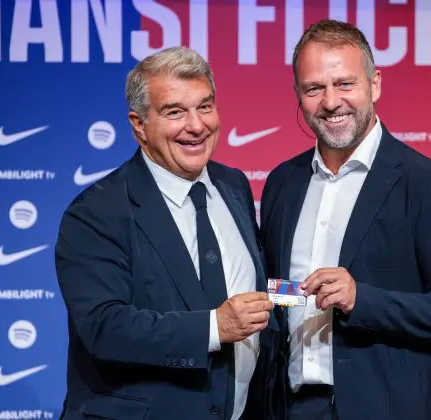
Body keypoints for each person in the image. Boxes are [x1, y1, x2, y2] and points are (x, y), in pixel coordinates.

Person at [260, 20, 431, 420]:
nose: (331, 102)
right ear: (298, 95)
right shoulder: (282, 183)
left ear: (375, 85)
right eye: (314, 89)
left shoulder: (426, 183)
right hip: (293, 408)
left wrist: (361, 299)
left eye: (345, 84)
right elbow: (284, 292)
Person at [55, 47, 279, 420]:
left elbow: (252, 288)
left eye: (205, 106)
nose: (196, 125)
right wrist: (214, 326)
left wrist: (304, 297)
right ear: (139, 125)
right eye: (175, 112)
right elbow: (103, 327)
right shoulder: (96, 212)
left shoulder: (233, 185)